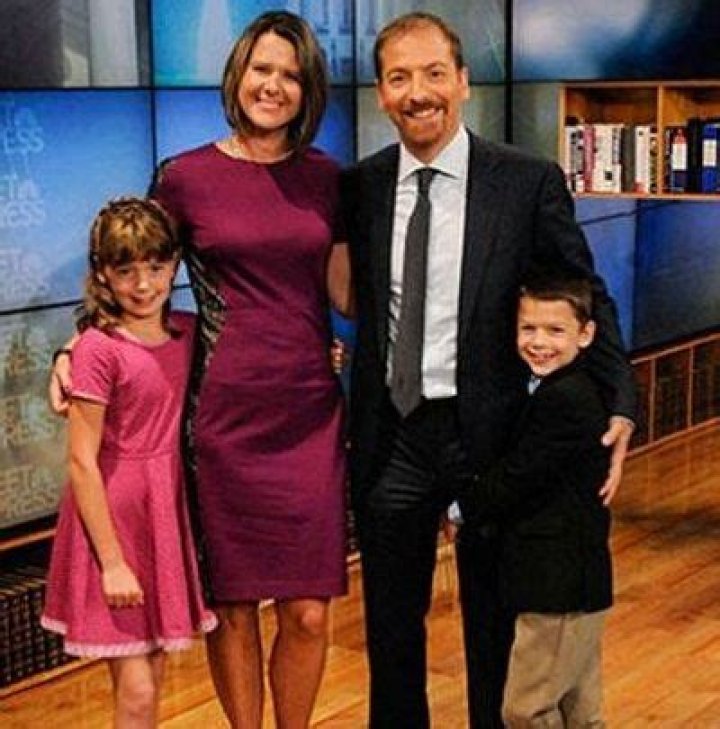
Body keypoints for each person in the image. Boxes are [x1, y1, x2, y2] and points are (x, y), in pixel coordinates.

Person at [50, 11, 352, 729]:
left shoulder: (326, 177)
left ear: (308, 88)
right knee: (236, 608)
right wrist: (74, 347)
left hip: (310, 413)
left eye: (290, 74)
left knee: (309, 612)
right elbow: (133, 271)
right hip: (220, 420)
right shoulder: (184, 177)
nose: (272, 85)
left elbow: (346, 294)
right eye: (261, 69)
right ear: (237, 74)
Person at [340, 11, 636, 729]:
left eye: (434, 73)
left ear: (464, 82)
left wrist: (622, 401)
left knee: (497, 630)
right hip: (393, 437)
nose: (418, 92)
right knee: (390, 635)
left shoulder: (526, 182)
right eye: (399, 77)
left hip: (493, 438)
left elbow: (583, 291)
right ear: (381, 93)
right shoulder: (362, 186)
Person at [41, 197, 217, 728]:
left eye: (156, 268)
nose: (143, 285)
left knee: (150, 679)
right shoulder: (98, 349)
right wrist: (112, 561)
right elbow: (81, 461)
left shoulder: (188, 331)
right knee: (137, 689)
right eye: (126, 272)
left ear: (175, 264)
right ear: (102, 273)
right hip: (111, 525)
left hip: (162, 516)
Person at [458, 265, 614, 727]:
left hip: (558, 587)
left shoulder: (566, 398)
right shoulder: (558, 388)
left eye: (555, 330)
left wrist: (460, 506)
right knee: (580, 709)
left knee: (526, 709)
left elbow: (520, 475)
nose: (539, 342)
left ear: (586, 335)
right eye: (528, 328)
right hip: (572, 583)